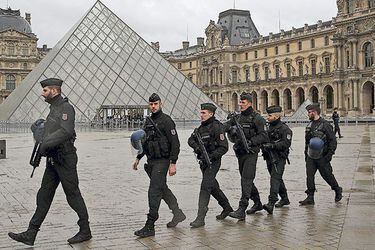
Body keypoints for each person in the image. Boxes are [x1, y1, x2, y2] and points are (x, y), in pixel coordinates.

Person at [8, 78, 91, 246]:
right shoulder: (54, 109)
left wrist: (46, 142)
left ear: (54, 91)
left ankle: (85, 230)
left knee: (73, 195)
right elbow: (52, 130)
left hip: (65, 159)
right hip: (53, 160)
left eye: (45, 90)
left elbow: (66, 131)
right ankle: (31, 233)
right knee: (43, 196)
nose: (42, 93)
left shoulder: (66, 108)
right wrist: (39, 129)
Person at [132, 93, 185, 238]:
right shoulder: (147, 122)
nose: (153, 106)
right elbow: (144, 142)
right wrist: (138, 158)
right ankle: (178, 213)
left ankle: (150, 225)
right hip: (151, 161)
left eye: (156, 104)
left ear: (161, 104)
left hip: (162, 161)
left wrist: (173, 163)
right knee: (162, 189)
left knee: (154, 190)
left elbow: (175, 143)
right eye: (151, 104)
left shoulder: (167, 121)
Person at [187, 103, 233, 228]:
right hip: (203, 162)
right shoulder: (200, 129)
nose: (201, 115)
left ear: (211, 114)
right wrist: (197, 148)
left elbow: (224, 147)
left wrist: (212, 156)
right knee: (213, 187)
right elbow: (190, 140)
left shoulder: (217, 127)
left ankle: (200, 218)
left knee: (205, 187)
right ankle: (227, 207)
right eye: (201, 113)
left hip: (213, 162)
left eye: (204, 113)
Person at [225, 92, 268, 220]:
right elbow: (226, 125)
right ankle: (258, 203)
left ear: (250, 103)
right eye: (240, 102)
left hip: (251, 153)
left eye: (243, 102)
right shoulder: (237, 118)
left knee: (246, 180)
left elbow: (264, 136)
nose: (240, 104)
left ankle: (242, 209)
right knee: (247, 179)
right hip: (240, 153)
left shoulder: (258, 119)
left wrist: (250, 142)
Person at [300, 103, 343, 205]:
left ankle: (337, 189)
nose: (308, 114)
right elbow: (307, 142)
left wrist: (329, 155)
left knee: (327, 175)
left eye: (309, 112)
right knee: (309, 176)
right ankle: (310, 197)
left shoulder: (325, 125)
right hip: (311, 156)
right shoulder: (309, 125)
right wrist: (306, 155)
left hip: (323, 156)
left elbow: (333, 141)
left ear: (314, 112)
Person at [261, 106, 292, 214]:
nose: (267, 117)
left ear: (277, 116)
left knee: (274, 178)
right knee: (277, 178)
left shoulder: (285, 129)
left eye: (270, 115)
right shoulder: (267, 127)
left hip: (279, 157)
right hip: (269, 157)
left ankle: (271, 202)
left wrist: (273, 145)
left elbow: (286, 143)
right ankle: (285, 198)